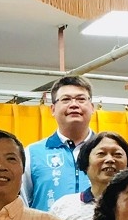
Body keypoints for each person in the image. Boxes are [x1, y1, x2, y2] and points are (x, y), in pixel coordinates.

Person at [49, 131, 128, 220]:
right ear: (86, 163)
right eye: (101, 154)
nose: (110, 159)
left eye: (117, 154)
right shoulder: (63, 207)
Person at [22, 75, 96, 211]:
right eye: (66, 99)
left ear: (92, 107)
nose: (74, 105)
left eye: (81, 99)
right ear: (53, 109)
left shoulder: (109, 152)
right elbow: (21, 204)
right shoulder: (32, 153)